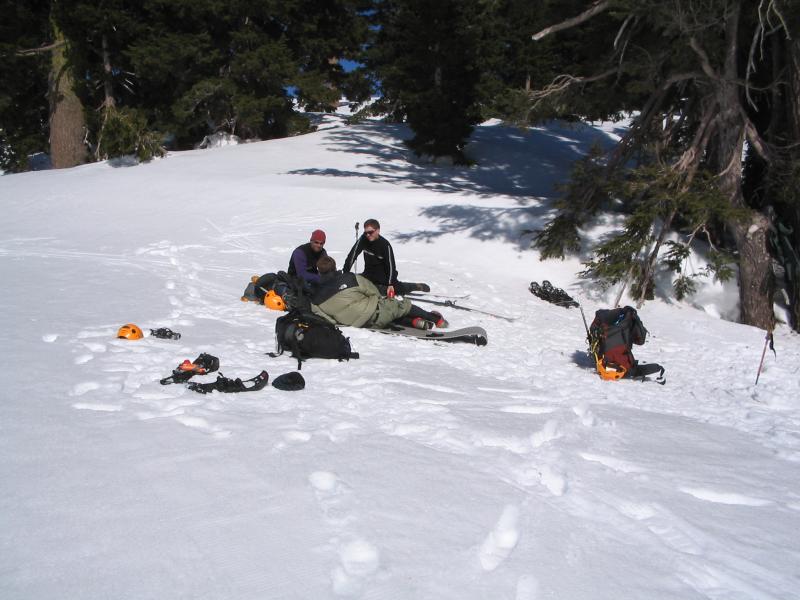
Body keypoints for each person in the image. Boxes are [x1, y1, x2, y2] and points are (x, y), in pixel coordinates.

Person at [311, 256, 448, 329]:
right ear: (334, 267)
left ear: (319, 271)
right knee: (401, 306)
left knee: (388, 315)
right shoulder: (349, 278)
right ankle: (437, 320)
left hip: (359, 324)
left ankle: (415, 323)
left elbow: (328, 319)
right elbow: (373, 291)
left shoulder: (315, 299)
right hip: (375, 312)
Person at [342, 218, 430, 297]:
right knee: (354, 281)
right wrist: (345, 273)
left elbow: (391, 266)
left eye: (370, 232)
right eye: (366, 232)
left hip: (385, 278)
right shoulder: (363, 239)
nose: (368, 235)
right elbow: (352, 255)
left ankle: (416, 286)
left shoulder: (385, 245)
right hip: (368, 275)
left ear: (378, 231)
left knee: (396, 289)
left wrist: (391, 284)